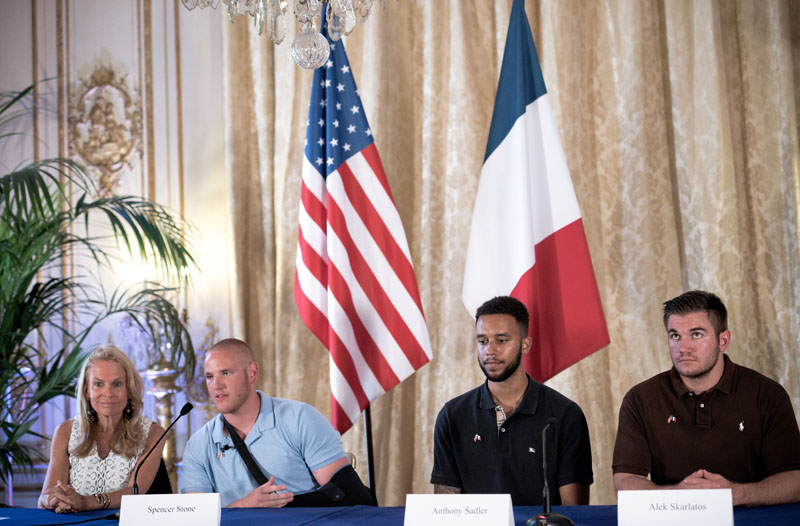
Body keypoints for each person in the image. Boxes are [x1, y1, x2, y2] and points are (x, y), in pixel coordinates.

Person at [612, 290, 800, 506]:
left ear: (723, 340)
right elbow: (625, 482)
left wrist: (733, 494)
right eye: (675, 336)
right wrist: (679, 496)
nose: (684, 347)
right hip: (674, 518)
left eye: (697, 334)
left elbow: (794, 481)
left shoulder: (767, 394)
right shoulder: (641, 399)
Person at [430, 296, 593, 505]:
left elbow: (573, 514)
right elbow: (447, 511)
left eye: (502, 340)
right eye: (482, 341)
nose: (490, 350)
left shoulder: (565, 415)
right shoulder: (452, 416)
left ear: (525, 345)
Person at [181, 338, 373, 507]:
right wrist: (245, 506)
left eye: (226, 373)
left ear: (252, 373)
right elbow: (196, 518)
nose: (216, 385)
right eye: (209, 376)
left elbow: (349, 495)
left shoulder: (300, 419)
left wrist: (280, 509)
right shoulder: (198, 445)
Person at [39, 346, 168, 512]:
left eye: (117, 384)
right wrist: (54, 499)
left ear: (129, 389)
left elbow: (135, 492)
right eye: (98, 384)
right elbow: (48, 493)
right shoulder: (65, 431)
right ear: (87, 390)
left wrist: (87, 502)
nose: (108, 393)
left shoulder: (153, 433)